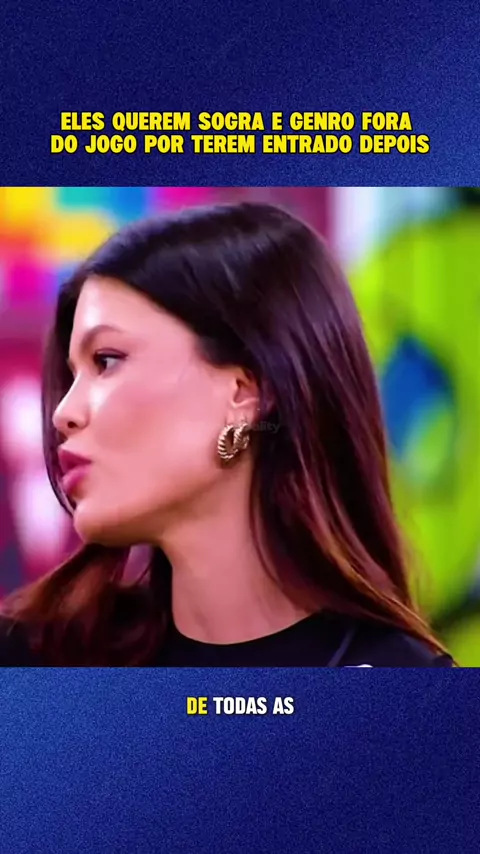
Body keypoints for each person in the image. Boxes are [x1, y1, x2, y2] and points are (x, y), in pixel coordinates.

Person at [0, 202, 454, 667]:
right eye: (73, 374)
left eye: (107, 360)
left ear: (244, 392)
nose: (64, 413)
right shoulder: (34, 660)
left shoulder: (406, 687)